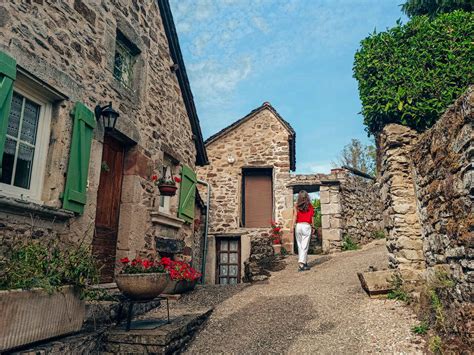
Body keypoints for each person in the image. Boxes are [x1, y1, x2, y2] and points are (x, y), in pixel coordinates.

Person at [292, 190, 314, 272]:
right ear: (307, 196)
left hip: (298, 226)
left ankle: (304, 262)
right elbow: (312, 218)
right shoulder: (310, 206)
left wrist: (292, 226)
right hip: (306, 226)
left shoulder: (296, 205)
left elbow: (295, 215)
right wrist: (313, 227)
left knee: (300, 245)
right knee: (305, 246)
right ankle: (301, 264)